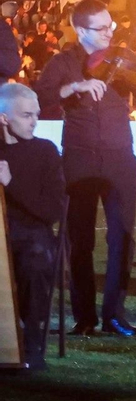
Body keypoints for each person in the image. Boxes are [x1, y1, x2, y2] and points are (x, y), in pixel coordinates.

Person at [37, 0, 136, 337]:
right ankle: (84, 318)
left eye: (111, 26)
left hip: (120, 158)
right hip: (79, 157)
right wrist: (75, 86)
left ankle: (115, 314)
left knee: (122, 239)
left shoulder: (123, 61)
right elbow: (41, 97)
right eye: (103, 28)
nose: (110, 33)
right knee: (80, 240)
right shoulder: (62, 63)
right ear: (82, 30)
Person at [0, 83, 64, 370]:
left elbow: (52, 210)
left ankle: (31, 342)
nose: (34, 121)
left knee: (35, 261)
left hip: (33, 235)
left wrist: (12, 183)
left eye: (36, 114)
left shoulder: (45, 152)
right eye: (26, 115)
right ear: (3, 118)